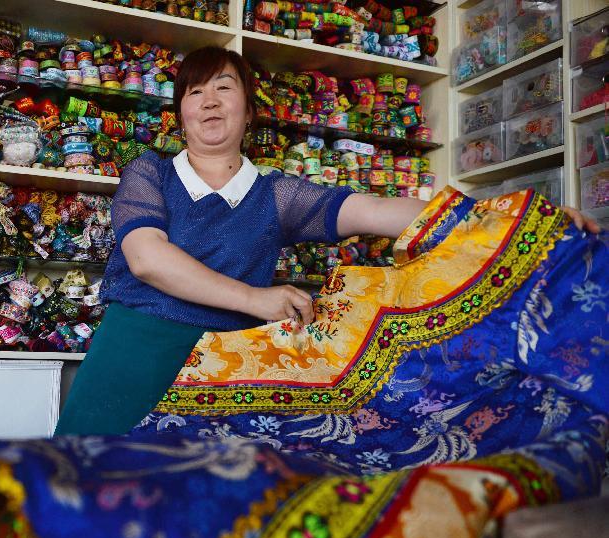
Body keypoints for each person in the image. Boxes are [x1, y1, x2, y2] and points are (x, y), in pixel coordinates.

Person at [53, 46, 600, 436]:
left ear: (248, 107)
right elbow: (148, 260)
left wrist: (514, 219)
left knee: (202, 513)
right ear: (181, 113)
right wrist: (256, 298)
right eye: (196, 92)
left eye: (224, 87)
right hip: (134, 351)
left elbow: (380, 211)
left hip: (230, 365)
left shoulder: (276, 195)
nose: (210, 101)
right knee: (82, 490)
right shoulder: (150, 173)